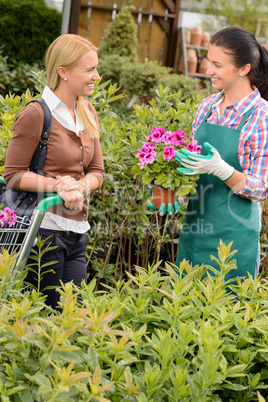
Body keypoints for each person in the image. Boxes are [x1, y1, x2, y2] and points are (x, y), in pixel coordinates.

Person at [151, 25, 268, 281]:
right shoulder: (206, 107)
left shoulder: (262, 116)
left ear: (244, 69)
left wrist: (221, 169)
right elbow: (194, 172)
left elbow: (260, 188)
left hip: (234, 238)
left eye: (217, 64)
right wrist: (174, 194)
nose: (208, 71)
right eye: (208, 62)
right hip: (196, 228)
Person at [4, 34, 105, 309]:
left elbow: (97, 171)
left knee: (74, 315)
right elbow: (12, 174)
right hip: (42, 232)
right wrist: (59, 186)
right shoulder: (36, 114)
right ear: (63, 72)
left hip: (77, 233)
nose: (96, 75)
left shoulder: (87, 112)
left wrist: (80, 188)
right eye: (89, 70)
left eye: (96, 68)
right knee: (46, 317)